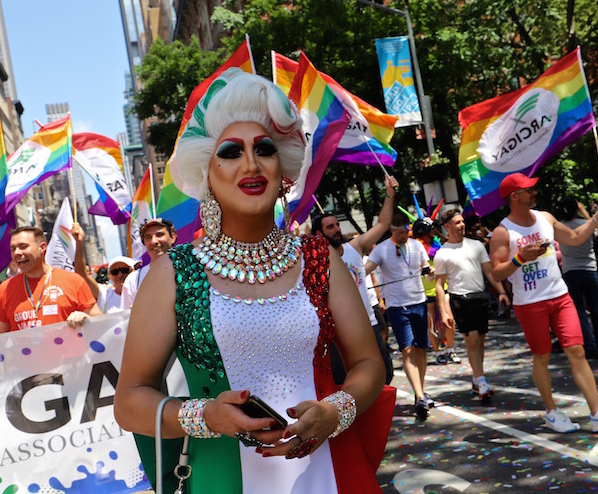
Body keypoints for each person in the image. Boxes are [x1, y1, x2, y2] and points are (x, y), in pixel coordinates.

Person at [114, 69, 387, 493]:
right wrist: (204, 416)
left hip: (331, 473)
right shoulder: (173, 272)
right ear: (207, 174)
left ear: (283, 168)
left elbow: (369, 364)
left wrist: (335, 411)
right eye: (230, 152)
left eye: (264, 148)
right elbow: (130, 401)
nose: (251, 163)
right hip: (223, 477)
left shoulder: (319, 258)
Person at [489, 173, 598, 433]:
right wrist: (520, 259)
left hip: (560, 296)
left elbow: (576, 237)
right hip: (530, 303)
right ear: (514, 196)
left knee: (577, 351)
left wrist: (597, 216)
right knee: (541, 356)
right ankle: (552, 412)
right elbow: (496, 273)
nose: (534, 192)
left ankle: (597, 413)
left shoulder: (546, 218)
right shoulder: (502, 232)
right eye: (528, 189)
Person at [311, 174, 399, 385]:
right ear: (318, 234)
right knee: (347, 383)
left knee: (383, 376)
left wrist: (389, 194)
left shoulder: (355, 248)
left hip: (368, 325)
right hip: (336, 333)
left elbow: (383, 224)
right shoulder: (314, 262)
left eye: (337, 225)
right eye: (330, 227)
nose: (337, 229)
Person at [434, 208, 510, 403]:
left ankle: (478, 378)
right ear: (447, 227)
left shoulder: (477, 245)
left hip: (480, 297)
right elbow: (439, 286)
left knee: (480, 341)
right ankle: (482, 381)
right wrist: (443, 311)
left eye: (462, 221)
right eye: (457, 222)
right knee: (472, 341)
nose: (462, 225)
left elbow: (489, 272)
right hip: (461, 299)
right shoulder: (442, 253)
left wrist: (501, 292)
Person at [367, 210, 433, 420]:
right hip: (397, 307)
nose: (403, 235)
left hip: (419, 302)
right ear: (391, 231)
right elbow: (366, 269)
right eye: (399, 232)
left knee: (421, 349)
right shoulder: (382, 250)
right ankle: (421, 396)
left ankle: (419, 392)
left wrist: (429, 272)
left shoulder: (416, 246)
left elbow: (427, 268)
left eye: (406, 231)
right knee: (407, 350)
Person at [0, 227, 102, 333]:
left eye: (23, 247)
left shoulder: (73, 280)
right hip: (26, 359)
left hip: (72, 359)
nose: (17, 253)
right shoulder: (6, 288)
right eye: (13, 249)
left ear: (42, 247)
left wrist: (84, 318)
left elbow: (101, 322)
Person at [557, 197, 598, 359]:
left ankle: (590, 346)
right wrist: (584, 211)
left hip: (570, 271)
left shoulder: (559, 227)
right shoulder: (585, 224)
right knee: (596, 308)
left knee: (579, 310)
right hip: (589, 269)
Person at [411, 216, 460, 365]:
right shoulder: (415, 248)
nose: (434, 230)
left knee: (449, 319)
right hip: (426, 291)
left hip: (442, 287)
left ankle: (450, 350)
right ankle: (438, 352)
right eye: (431, 228)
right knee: (431, 324)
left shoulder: (438, 244)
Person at [71, 222, 136, 313]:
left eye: (125, 270)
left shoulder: (144, 295)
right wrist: (79, 242)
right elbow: (81, 274)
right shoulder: (105, 295)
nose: (120, 275)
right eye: (115, 272)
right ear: (109, 276)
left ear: (134, 272)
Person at [119, 218, 177, 309]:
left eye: (159, 235)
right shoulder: (133, 281)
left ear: (172, 237)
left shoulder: (188, 270)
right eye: (148, 237)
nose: (154, 241)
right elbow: (126, 318)